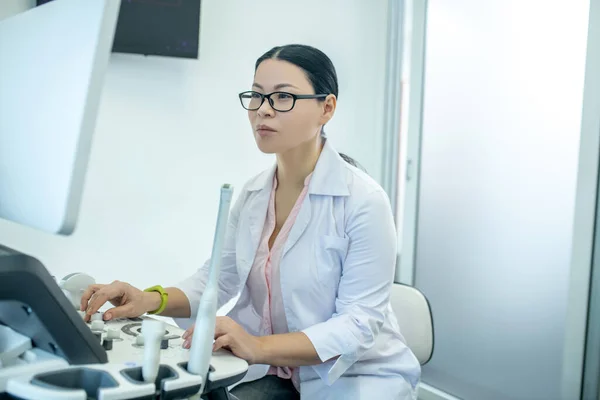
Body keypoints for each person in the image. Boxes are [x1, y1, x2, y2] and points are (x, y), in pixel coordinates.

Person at [81, 44, 421, 400]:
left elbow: (358, 324)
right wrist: (150, 299)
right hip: (277, 373)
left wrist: (257, 345)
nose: (263, 110)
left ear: (327, 108)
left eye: (282, 98)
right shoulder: (253, 194)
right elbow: (217, 279)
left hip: (353, 378)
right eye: (256, 96)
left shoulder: (364, 202)